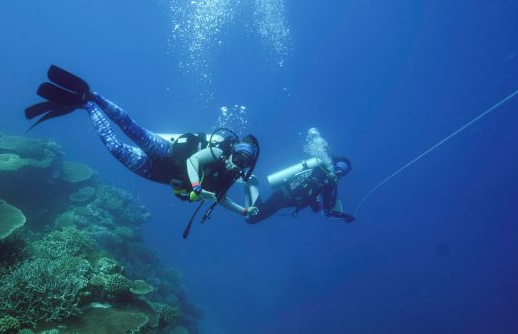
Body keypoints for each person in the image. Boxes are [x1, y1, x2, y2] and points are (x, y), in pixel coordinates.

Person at [25, 65, 260, 219]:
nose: (239, 162)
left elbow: (221, 199)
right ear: (234, 149)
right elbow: (194, 161)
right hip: (168, 152)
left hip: (156, 173)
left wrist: (244, 210)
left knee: (114, 147)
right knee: (132, 129)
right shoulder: (219, 152)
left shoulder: (231, 176)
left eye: (244, 162)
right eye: (239, 154)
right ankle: (93, 96)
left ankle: (87, 106)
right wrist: (198, 187)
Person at [243, 155, 355, 224]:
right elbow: (310, 188)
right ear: (333, 165)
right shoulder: (321, 171)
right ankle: (251, 184)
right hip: (283, 195)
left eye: (342, 173)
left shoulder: (329, 186)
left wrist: (343, 216)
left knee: (252, 218)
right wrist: (314, 202)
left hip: (286, 200)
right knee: (253, 218)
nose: (339, 173)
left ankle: (250, 186)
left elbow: (326, 211)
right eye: (339, 169)